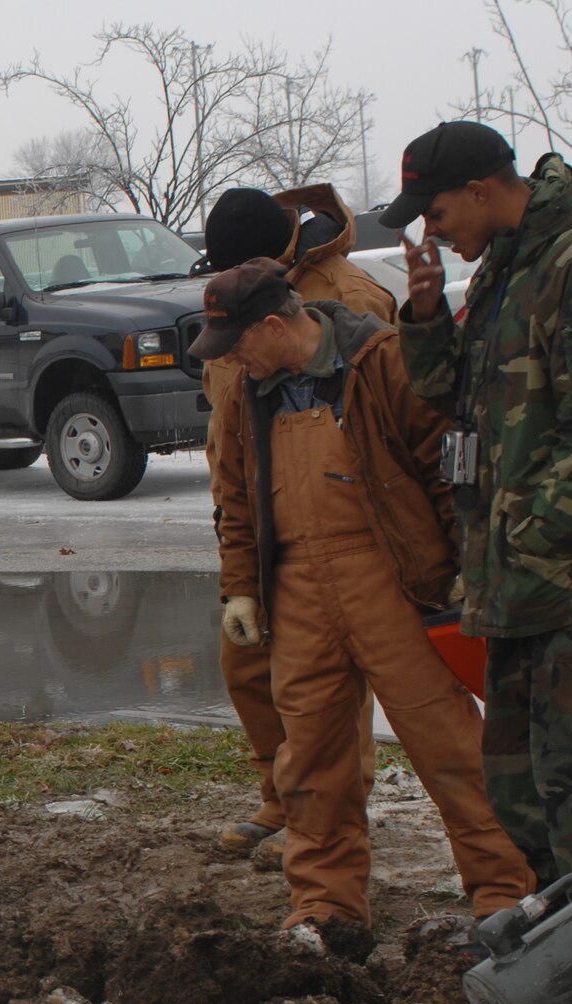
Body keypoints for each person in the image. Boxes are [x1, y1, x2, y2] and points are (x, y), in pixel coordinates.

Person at [389, 121, 572, 1004]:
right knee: (519, 782)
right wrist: (427, 314)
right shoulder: (505, 266)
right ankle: (566, 950)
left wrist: (540, 535)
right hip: (512, 582)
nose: (433, 233)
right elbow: (456, 397)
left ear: (479, 188)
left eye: (436, 213)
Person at [191, 258, 534, 950]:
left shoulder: (379, 362)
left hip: (391, 579)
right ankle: (327, 908)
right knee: (311, 758)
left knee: (449, 744)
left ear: (275, 325)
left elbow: (449, 464)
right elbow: (233, 494)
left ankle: (506, 894)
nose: (230, 360)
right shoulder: (247, 391)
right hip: (298, 590)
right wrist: (242, 586)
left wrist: (468, 566)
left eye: (237, 344)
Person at [201, 185, 396, 855]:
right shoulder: (239, 300)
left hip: (334, 522)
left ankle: (334, 812)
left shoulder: (349, 295)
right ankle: (284, 798)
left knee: (331, 687)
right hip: (259, 511)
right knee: (248, 664)